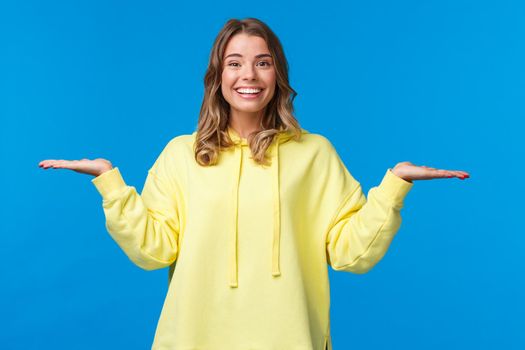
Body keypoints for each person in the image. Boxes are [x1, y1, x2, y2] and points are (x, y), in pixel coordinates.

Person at [38, 17, 470, 350]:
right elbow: (154, 251)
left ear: (277, 75)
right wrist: (110, 184)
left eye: (262, 62)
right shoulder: (180, 155)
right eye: (235, 63)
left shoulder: (314, 153)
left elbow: (350, 253)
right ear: (218, 77)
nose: (249, 74)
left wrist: (393, 185)